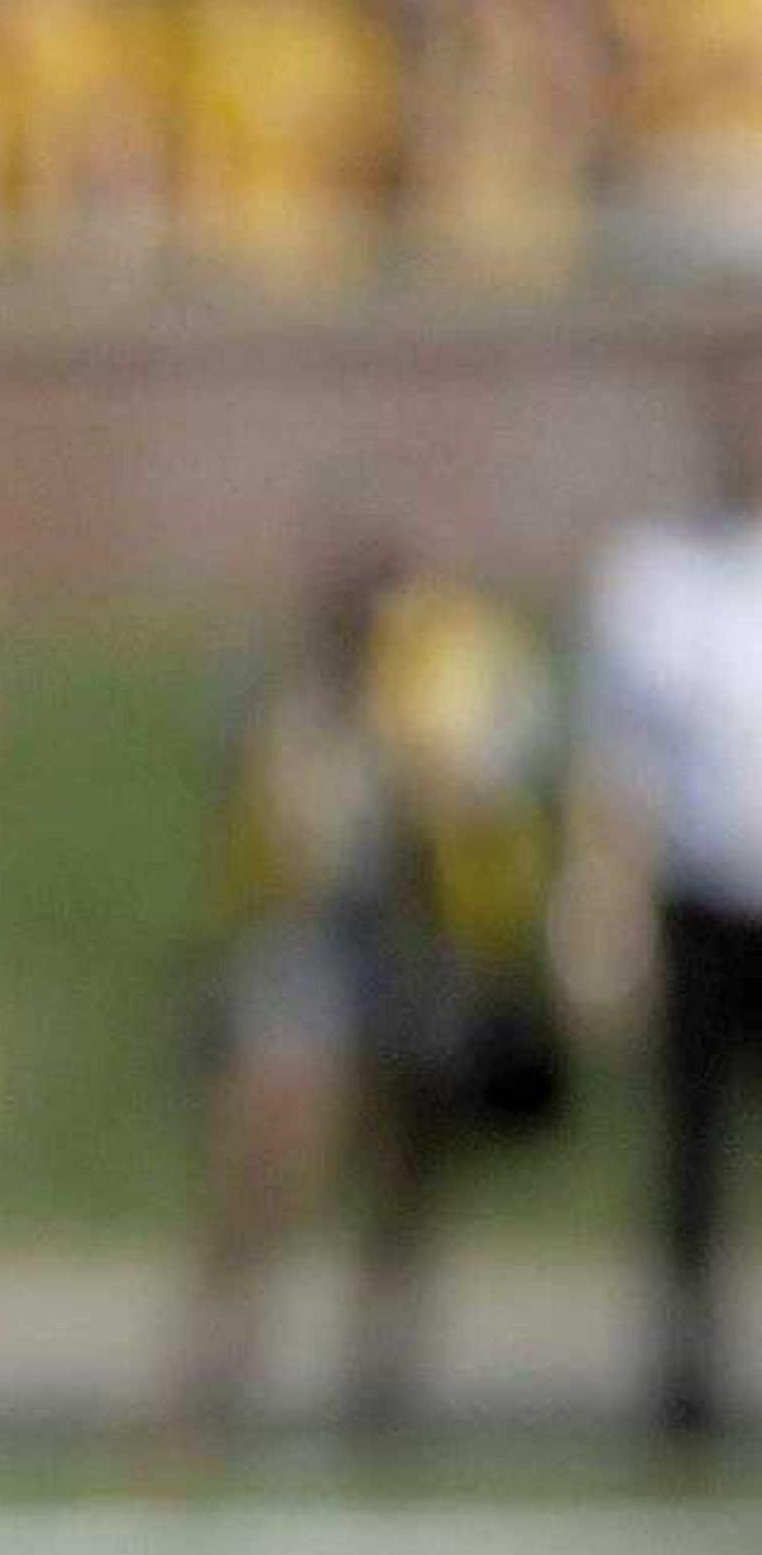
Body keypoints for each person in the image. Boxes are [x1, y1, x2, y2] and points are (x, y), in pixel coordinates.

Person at [175, 531, 562, 1439]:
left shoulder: (463, 672)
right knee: (269, 1150)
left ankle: (382, 1378)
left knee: (410, 1167)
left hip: (430, 931)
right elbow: (269, 811)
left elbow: (484, 792)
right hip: (314, 933)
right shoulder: (288, 686)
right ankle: (213, 1376)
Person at [572, 366, 762, 1446]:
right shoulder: (657, 575)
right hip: (702, 897)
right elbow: (619, 759)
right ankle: (686, 1376)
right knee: (690, 1153)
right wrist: (603, 903)